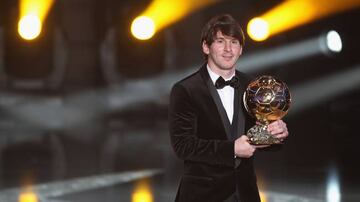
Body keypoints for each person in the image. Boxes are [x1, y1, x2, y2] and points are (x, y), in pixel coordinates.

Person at [168, 14, 289, 202]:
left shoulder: (253, 86)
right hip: (202, 196)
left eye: (234, 42)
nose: (228, 49)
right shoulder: (185, 90)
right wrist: (231, 149)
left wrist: (275, 134)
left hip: (245, 194)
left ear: (241, 49)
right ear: (206, 47)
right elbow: (183, 146)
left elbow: (256, 136)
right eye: (220, 41)